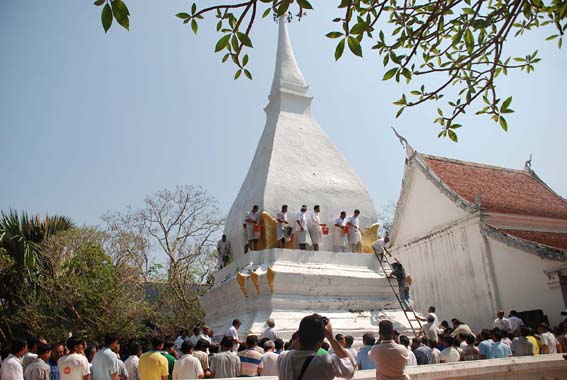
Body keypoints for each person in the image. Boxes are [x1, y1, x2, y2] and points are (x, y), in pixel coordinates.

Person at [277, 314, 354, 380]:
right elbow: (350, 370)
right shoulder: (326, 360)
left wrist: (301, 336)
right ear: (321, 340)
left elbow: (287, 351)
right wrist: (331, 338)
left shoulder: (283, 358)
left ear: (299, 335)